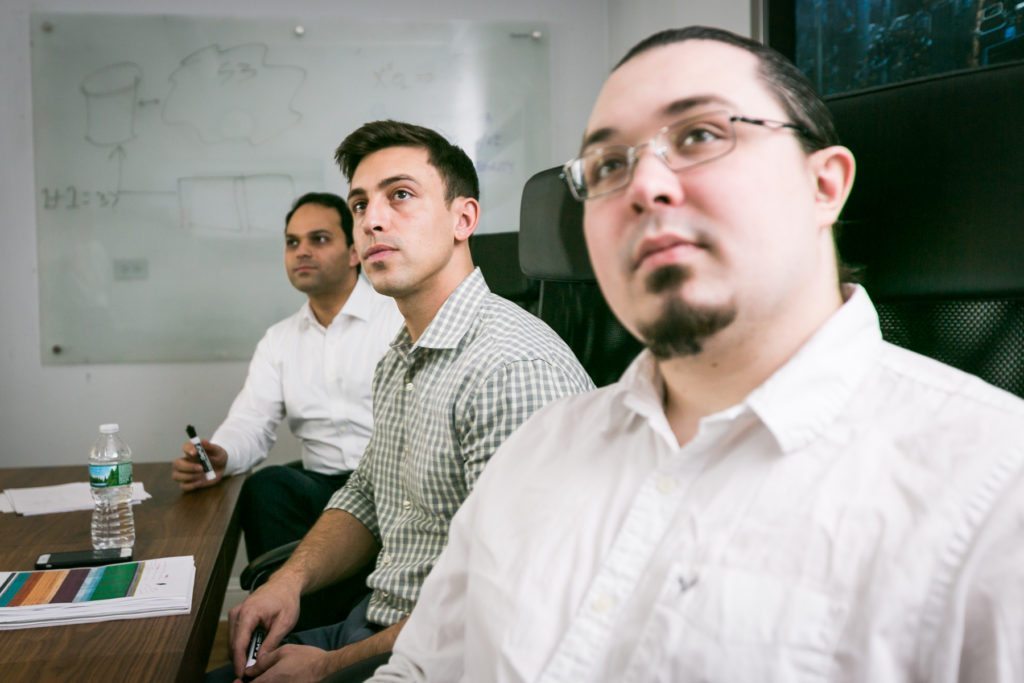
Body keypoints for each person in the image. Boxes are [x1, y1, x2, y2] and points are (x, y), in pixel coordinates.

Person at [371, 26, 1024, 682]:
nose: (643, 186)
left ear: (824, 185)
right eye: (607, 166)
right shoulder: (538, 448)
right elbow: (422, 668)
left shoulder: (998, 491)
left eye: (701, 136)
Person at [222, 120, 594, 683]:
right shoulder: (403, 353)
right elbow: (369, 494)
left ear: (463, 219)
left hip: (443, 659)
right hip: (376, 625)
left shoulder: (512, 370)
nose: (371, 220)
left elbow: (506, 602)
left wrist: (330, 666)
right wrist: (287, 581)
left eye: (400, 196)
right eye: (360, 203)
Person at [171, 192, 403, 563]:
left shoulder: (397, 318)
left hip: (393, 485)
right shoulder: (280, 340)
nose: (302, 252)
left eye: (319, 239)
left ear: (355, 251)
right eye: (292, 242)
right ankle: (286, 616)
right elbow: (251, 421)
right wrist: (220, 455)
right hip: (323, 485)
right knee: (266, 487)